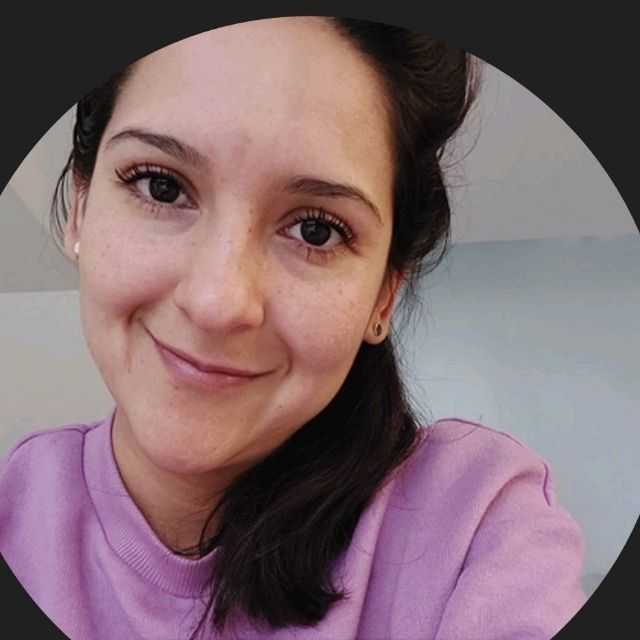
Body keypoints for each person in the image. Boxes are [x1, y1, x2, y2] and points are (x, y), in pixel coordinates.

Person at [0, 16, 586, 640]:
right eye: (162, 187)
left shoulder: (476, 526)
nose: (218, 303)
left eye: (315, 230)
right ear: (81, 207)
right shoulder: (15, 517)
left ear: (383, 295)